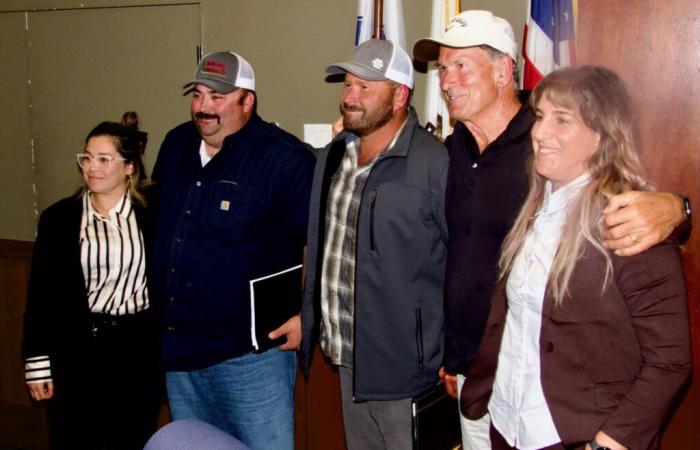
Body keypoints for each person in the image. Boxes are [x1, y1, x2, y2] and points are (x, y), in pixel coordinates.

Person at [412, 10, 691, 450]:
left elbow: (669, 357)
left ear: (504, 70)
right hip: (490, 394)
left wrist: (679, 207)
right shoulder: (458, 155)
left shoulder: (610, 206)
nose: (446, 81)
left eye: (460, 65)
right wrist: (464, 363)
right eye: (443, 69)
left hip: (569, 423)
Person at [150, 51, 314, 450]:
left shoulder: (284, 157)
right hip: (182, 354)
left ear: (248, 101)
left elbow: (317, 243)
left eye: (218, 96)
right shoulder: (175, 144)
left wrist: (306, 314)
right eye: (199, 94)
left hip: (250, 360)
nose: (204, 107)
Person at [300, 39, 449, 449]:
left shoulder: (433, 164)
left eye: (365, 87)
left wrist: (446, 356)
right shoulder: (334, 157)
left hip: (405, 371)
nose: (349, 97)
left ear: (400, 95)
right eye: (347, 85)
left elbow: (460, 267)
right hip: (348, 361)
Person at [22, 112, 161, 449]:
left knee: (132, 437)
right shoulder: (60, 219)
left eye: (103, 159)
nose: (91, 167)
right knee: (76, 437)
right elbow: (42, 295)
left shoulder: (156, 211)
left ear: (130, 167)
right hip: (78, 350)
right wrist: (37, 364)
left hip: (138, 352)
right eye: (86, 157)